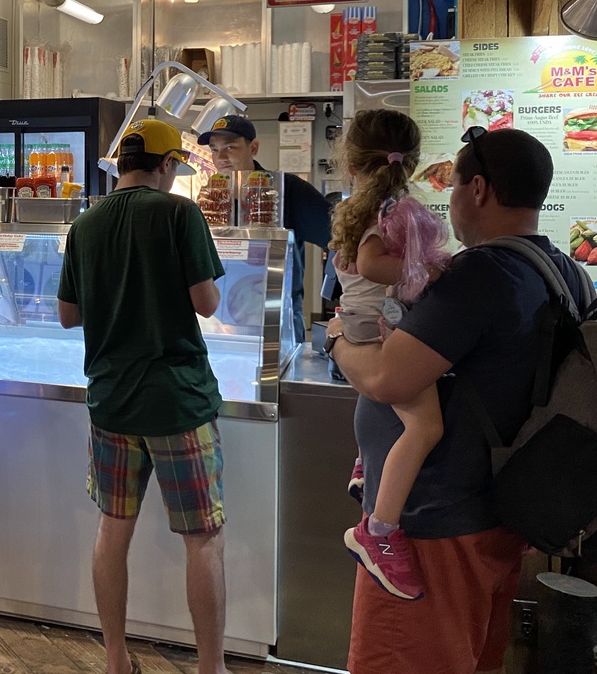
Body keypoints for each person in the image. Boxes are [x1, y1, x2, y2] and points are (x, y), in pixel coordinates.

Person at [329, 128, 592, 674]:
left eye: (452, 188)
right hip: (497, 515)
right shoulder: (568, 273)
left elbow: (386, 379)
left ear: (477, 190)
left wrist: (335, 339)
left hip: (431, 527)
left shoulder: (480, 275)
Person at [57, 117, 230, 674]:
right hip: (177, 400)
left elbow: (68, 315)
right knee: (202, 538)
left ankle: (115, 659)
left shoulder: (84, 224)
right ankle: (210, 667)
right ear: (165, 164)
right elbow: (206, 303)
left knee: (113, 530)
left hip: (110, 402)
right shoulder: (180, 213)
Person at [328, 110, 452, 601]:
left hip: (362, 319)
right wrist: (427, 269)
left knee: (401, 408)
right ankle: (378, 532)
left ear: (351, 163)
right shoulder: (390, 209)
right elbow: (369, 263)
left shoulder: (362, 206)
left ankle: (366, 463)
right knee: (426, 426)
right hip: (374, 324)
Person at [196, 115, 332, 347]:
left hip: (278, 317)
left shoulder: (286, 190)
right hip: (221, 318)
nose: (221, 158)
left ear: (254, 147)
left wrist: (335, 292)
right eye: (215, 150)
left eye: (230, 147)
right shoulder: (210, 197)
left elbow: (336, 238)